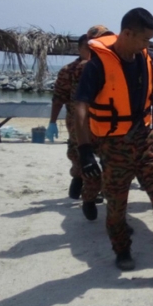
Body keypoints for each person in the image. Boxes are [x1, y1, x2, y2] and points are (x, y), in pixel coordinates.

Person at [74, 7, 153, 278]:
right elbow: (81, 106)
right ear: (127, 33)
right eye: (144, 39)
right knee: (117, 207)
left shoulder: (145, 58)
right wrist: (85, 151)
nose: (147, 44)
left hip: (144, 139)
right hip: (114, 146)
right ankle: (122, 250)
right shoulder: (98, 65)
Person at [47, 26, 113, 220]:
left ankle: (86, 187)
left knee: (101, 160)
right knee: (83, 158)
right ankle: (86, 191)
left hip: (104, 122)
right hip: (79, 121)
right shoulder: (72, 70)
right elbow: (59, 98)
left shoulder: (109, 65)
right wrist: (52, 122)